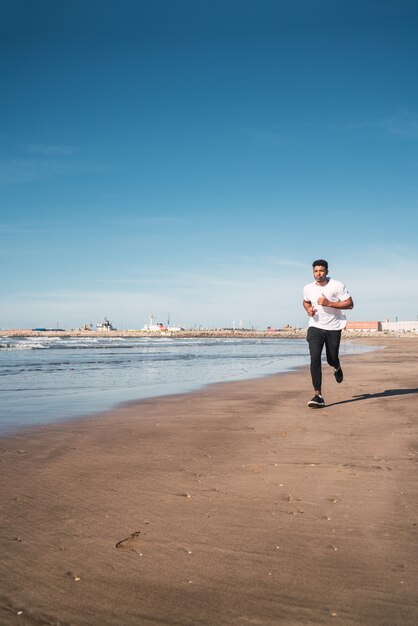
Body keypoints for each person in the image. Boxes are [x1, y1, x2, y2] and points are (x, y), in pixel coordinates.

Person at [303, 259, 354, 408]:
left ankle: (336, 367)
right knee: (315, 358)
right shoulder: (308, 288)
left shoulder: (337, 285)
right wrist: (308, 310)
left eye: (321, 271)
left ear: (327, 271)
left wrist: (329, 303)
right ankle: (317, 395)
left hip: (333, 327)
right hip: (315, 327)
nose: (318, 274)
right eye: (315, 271)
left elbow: (350, 304)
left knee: (332, 358)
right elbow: (306, 301)